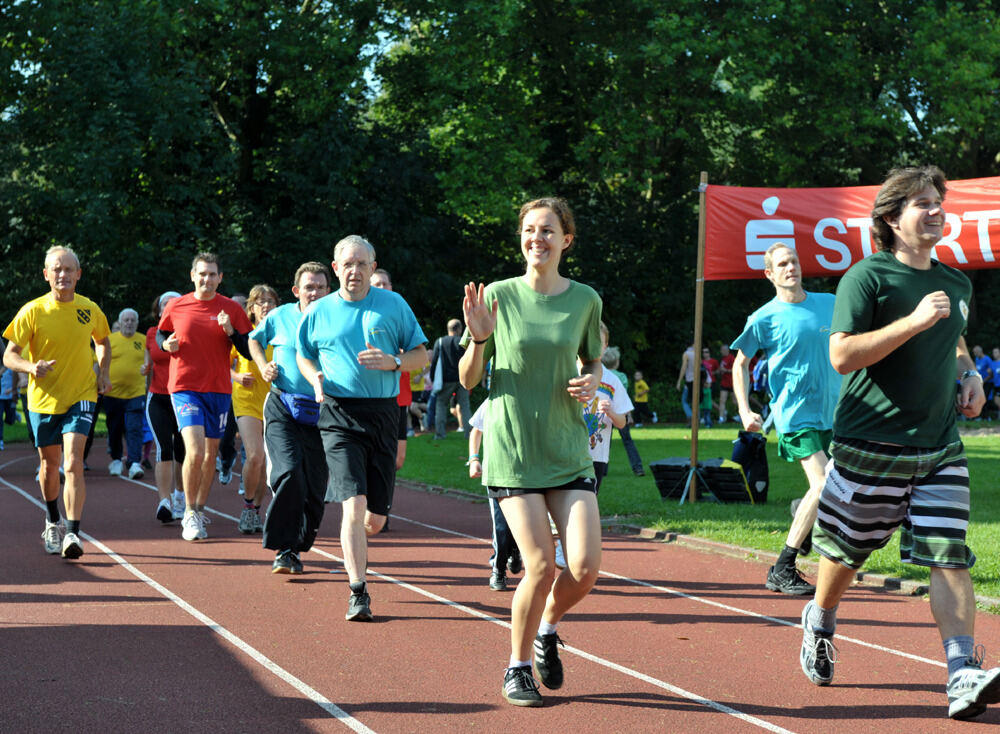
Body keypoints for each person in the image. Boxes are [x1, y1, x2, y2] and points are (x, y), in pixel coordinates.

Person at [798, 165, 1000, 721]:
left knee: (948, 555)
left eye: (938, 201)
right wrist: (910, 322)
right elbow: (842, 355)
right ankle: (820, 616)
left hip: (939, 447)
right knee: (846, 553)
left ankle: (962, 672)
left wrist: (971, 376)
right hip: (869, 442)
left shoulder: (956, 283)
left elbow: (954, 336)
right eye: (921, 203)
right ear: (891, 217)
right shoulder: (867, 278)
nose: (936, 210)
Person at [459, 197, 603, 708]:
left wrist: (593, 382)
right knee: (540, 564)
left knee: (585, 567)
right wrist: (478, 340)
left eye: (547, 231)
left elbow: (593, 360)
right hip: (514, 452)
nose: (536, 239)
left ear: (566, 239)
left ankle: (547, 628)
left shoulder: (585, 299)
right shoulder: (497, 296)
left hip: (567, 449)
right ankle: (517, 667)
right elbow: (469, 379)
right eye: (528, 230)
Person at [296, 235, 427, 621]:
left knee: (374, 519)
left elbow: (422, 354)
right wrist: (315, 379)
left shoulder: (393, 305)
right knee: (352, 507)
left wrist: (395, 363)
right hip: (338, 415)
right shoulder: (318, 312)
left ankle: (360, 547)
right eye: (347, 264)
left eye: (361, 264)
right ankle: (358, 591)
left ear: (373, 267)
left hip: (384, 413)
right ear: (335, 269)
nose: (354, 271)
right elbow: (303, 355)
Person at [731, 242, 841, 596]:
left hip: (834, 412)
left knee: (839, 489)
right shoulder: (763, 317)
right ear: (770, 274)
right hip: (795, 414)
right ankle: (783, 566)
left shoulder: (830, 302)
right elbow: (740, 364)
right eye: (782, 263)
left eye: (793, 260)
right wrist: (745, 409)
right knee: (824, 484)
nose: (790, 267)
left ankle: (801, 513)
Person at [3, 246, 111, 558]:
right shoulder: (32, 311)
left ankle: (74, 534)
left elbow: (102, 341)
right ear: (46, 274)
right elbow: (10, 355)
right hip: (43, 400)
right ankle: (53, 520)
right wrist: (30, 367)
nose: (63, 275)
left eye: (69, 270)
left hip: (81, 395)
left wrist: (103, 373)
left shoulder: (89, 309)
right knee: (50, 466)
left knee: (73, 462)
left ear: (78, 274)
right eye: (57, 269)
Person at [157, 253, 253, 541]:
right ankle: (188, 512)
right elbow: (162, 337)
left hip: (219, 389)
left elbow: (248, 350)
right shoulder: (177, 305)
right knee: (195, 450)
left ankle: (199, 509)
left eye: (212, 274)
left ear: (220, 278)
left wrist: (231, 332)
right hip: (185, 386)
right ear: (192, 275)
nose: (206, 279)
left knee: (210, 455)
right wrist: (167, 345)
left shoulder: (231, 309)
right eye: (202, 274)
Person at [249, 262, 331, 574]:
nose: (315, 292)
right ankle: (284, 548)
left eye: (321, 287)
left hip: (323, 410)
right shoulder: (280, 315)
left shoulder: (336, 318)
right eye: (309, 287)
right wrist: (262, 366)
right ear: (296, 291)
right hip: (283, 405)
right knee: (290, 472)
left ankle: (297, 544)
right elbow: (254, 340)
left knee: (314, 488)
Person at [232, 284, 278, 534]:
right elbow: (223, 364)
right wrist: (236, 377)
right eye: (261, 302)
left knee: (267, 463)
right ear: (251, 308)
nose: (266, 306)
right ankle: (248, 507)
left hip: (273, 400)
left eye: (270, 301)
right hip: (246, 398)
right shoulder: (245, 334)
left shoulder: (283, 333)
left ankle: (257, 509)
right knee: (255, 456)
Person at [468, 400, 522, 592]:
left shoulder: (535, 396)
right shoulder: (493, 400)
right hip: (497, 471)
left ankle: (515, 550)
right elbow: (476, 429)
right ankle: (498, 570)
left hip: (527, 473)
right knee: (500, 525)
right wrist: (474, 458)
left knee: (524, 522)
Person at [144, 291, 186, 523]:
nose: (169, 306)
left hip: (184, 398)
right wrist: (144, 370)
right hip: (158, 398)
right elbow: (149, 360)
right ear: (159, 310)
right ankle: (164, 501)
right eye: (164, 304)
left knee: (182, 450)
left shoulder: (189, 331)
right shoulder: (152, 333)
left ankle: (180, 495)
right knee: (164, 448)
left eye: (174, 303)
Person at [584, 323, 633, 494]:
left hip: (596, 455)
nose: (595, 346)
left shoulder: (612, 381)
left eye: (600, 342)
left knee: (589, 498)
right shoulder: (567, 372)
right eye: (590, 341)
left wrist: (611, 412)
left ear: (605, 347)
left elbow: (622, 423)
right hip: (565, 452)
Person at [104, 308, 147, 480]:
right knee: (114, 428)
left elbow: (149, 363)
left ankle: (134, 462)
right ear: (120, 323)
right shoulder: (109, 340)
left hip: (136, 392)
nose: (129, 323)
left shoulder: (143, 340)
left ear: (137, 323)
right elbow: (101, 363)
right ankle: (116, 459)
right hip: (112, 393)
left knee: (134, 428)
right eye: (126, 320)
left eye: (132, 320)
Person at [600, 346, 645, 477]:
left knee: (604, 442)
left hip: (603, 412)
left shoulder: (601, 376)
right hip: (619, 414)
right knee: (628, 441)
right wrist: (629, 415)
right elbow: (623, 397)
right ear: (617, 361)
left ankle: (602, 470)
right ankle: (638, 468)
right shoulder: (622, 377)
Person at [430, 319, 472, 440]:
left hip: (446, 380)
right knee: (465, 406)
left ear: (448, 329)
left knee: (441, 405)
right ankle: (469, 434)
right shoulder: (463, 342)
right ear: (459, 329)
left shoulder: (440, 342)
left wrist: (433, 378)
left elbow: (434, 361)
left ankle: (440, 434)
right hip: (462, 379)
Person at [717, 345, 737, 424]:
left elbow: (736, 369)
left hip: (732, 383)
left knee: (735, 401)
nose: (721, 351)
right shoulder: (723, 359)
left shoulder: (731, 358)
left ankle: (741, 416)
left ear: (726, 350)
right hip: (724, 383)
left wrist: (726, 370)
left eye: (722, 350)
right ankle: (721, 418)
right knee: (722, 400)